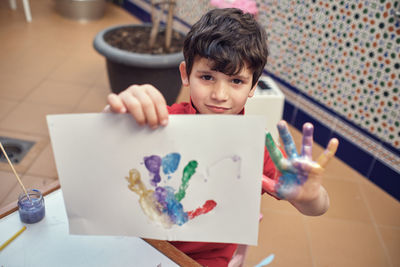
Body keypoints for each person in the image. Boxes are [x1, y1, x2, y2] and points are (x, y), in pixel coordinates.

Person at [106, 8, 339, 267]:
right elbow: (109, 159)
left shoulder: (257, 147)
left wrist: (309, 197)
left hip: (207, 261)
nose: (220, 94)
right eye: (207, 77)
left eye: (236, 81)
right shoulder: (162, 122)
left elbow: (317, 207)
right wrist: (118, 118)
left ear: (253, 85)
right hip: (146, 245)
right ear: (185, 74)